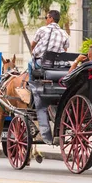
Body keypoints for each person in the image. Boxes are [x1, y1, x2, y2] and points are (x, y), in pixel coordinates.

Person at [29, 10, 70, 144]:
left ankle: (30, 88)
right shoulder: (64, 33)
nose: (46, 19)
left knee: (30, 64)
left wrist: (33, 53)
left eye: (46, 17)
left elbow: (33, 45)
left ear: (51, 18)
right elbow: (65, 50)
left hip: (42, 64)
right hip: (59, 67)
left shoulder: (42, 30)